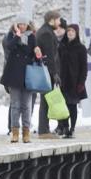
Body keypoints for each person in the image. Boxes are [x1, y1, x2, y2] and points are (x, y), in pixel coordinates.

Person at [1, 16, 41, 143]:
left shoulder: (32, 37)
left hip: (27, 75)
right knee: (15, 105)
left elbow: (34, 54)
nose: (22, 27)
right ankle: (14, 132)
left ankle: (26, 132)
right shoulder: (11, 36)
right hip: (14, 75)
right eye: (20, 24)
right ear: (16, 25)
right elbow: (9, 48)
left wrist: (38, 54)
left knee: (26, 106)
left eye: (24, 24)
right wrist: (17, 36)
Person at [58, 24, 88, 137]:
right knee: (63, 105)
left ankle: (72, 128)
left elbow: (84, 67)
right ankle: (64, 127)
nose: (70, 33)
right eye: (68, 31)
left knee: (72, 106)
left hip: (74, 82)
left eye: (72, 31)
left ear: (76, 33)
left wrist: (81, 82)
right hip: (62, 81)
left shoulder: (81, 48)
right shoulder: (61, 46)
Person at [35, 10, 62, 138]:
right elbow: (50, 55)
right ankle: (43, 130)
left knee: (46, 100)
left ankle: (44, 129)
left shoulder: (45, 31)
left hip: (46, 70)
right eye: (58, 19)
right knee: (46, 100)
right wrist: (54, 73)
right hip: (47, 72)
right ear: (52, 19)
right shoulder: (46, 33)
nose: (59, 22)